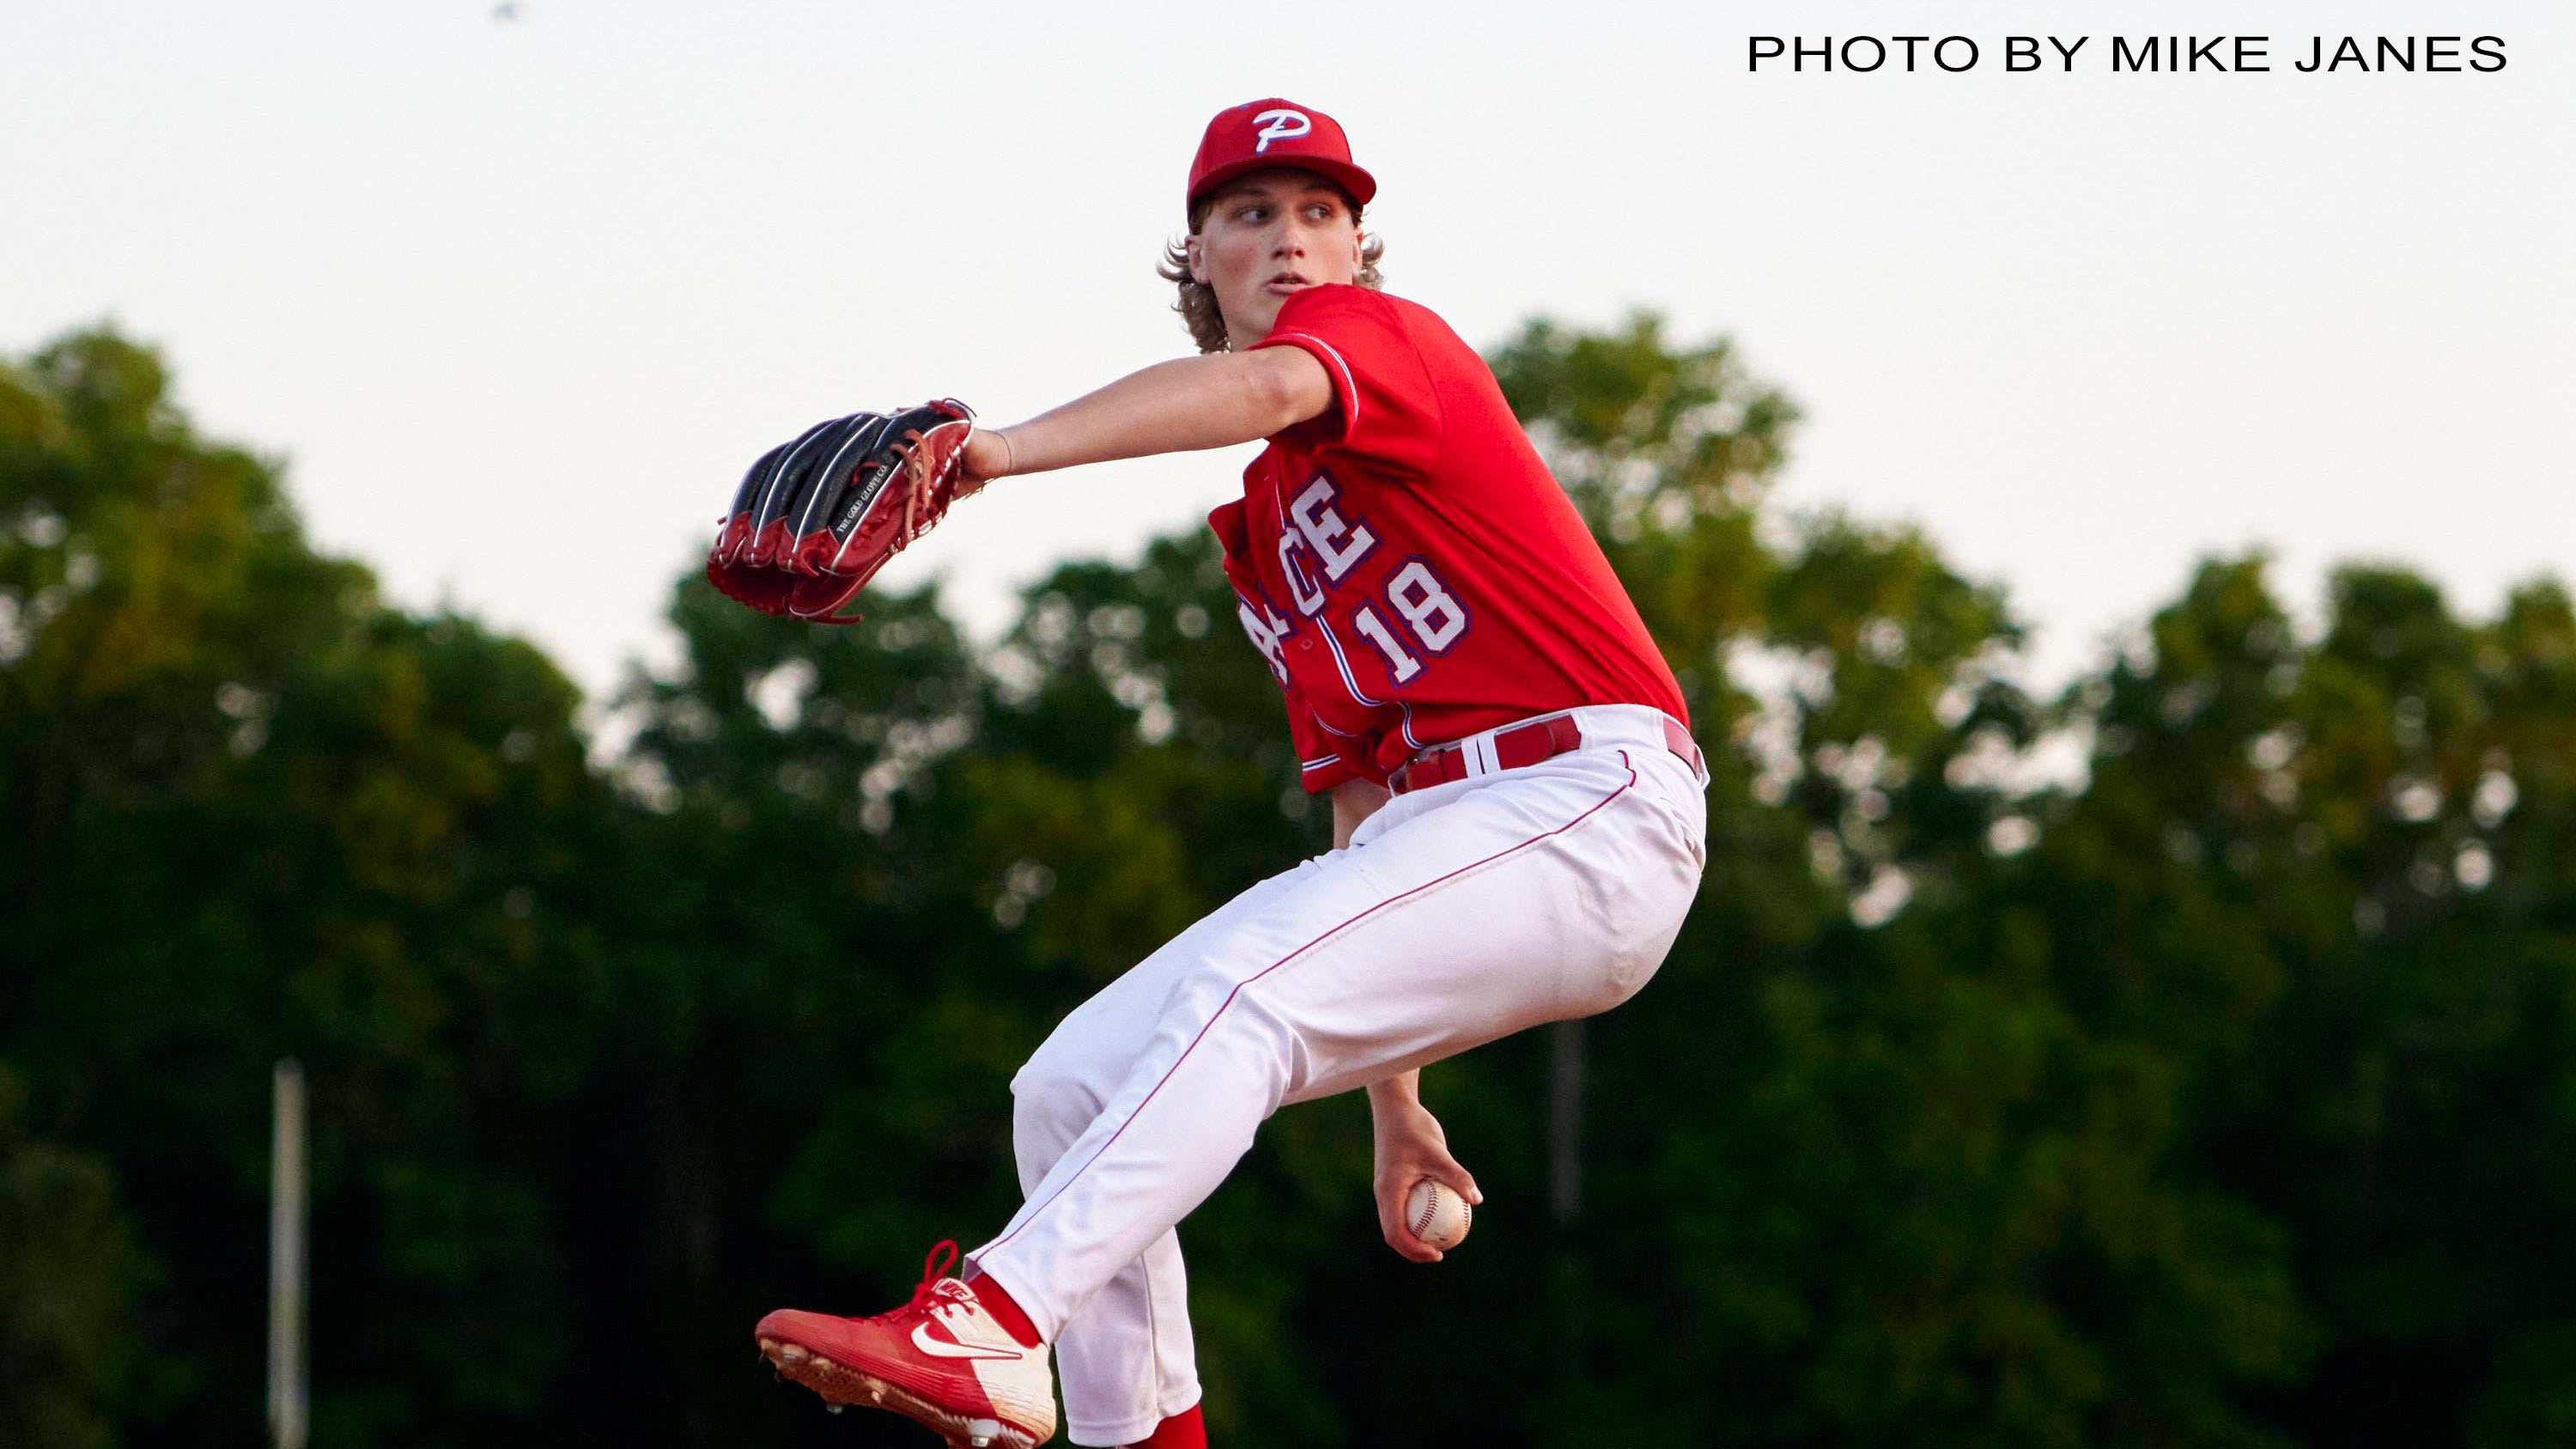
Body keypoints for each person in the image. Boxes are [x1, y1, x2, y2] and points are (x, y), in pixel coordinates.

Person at [753, 97, 1710, 1449]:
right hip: (1458, 834)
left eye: (1324, 214)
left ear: (1359, 250)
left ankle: (992, 1320)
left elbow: (1266, 387)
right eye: (1253, 215)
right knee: (1073, 1084)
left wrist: (997, 452)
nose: (1293, 240)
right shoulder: (1273, 530)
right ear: (1196, 257)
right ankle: (1140, 1436)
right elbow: (1363, 798)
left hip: (1588, 803)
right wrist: (1399, 1098)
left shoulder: (1389, 340)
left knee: (1235, 994)